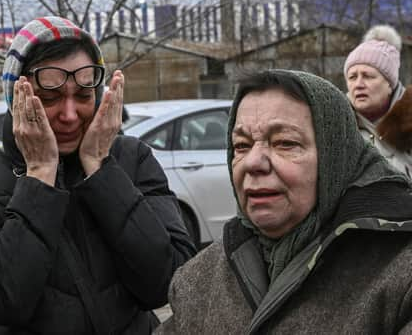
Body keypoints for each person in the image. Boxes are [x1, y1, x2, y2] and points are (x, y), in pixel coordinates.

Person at [0, 16, 196, 334]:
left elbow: (165, 283)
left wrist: (101, 168)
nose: (69, 115)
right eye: (51, 98)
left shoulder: (132, 158)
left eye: (83, 96)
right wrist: (39, 174)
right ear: (17, 98)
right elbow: (3, 300)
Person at [158, 69, 412, 335]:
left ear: (336, 159)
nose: (253, 163)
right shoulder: (198, 280)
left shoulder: (400, 274)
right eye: (242, 146)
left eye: (284, 143)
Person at [344, 24, 412, 177]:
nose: (358, 85)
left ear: (389, 84)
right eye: (352, 77)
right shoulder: (337, 126)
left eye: (368, 76)